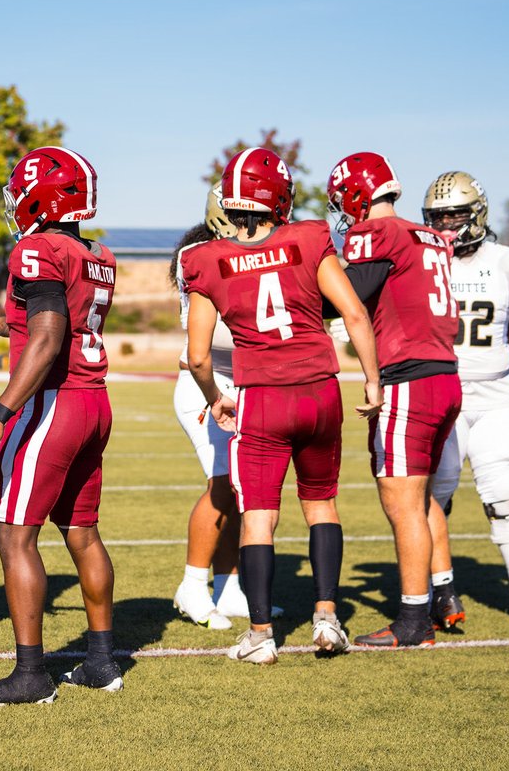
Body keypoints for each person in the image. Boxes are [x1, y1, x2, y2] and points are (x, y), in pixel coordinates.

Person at [181, 147, 383, 664]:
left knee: (258, 518)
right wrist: (373, 381)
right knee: (320, 504)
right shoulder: (309, 237)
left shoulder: (205, 259)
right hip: (319, 391)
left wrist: (215, 399)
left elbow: (199, 357)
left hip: (264, 399)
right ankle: (326, 618)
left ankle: (262, 633)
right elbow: (356, 315)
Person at [0, 146, 120, 705]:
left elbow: (50, 337)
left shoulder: (36, 247)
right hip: (94, 402)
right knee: (81, 530)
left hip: (53, 404)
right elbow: (50, 322)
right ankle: (101, 660)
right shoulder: (96, 252)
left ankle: (30, 676)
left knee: (15, 533)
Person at [324, 151, 462, 648]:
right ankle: (444, 596)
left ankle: (412, 621)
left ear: (355, 194)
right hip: (446, 374)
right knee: (420, 497)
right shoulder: (430, 236)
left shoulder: (374, 233)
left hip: (408, 379)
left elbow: (349, 295)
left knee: (401, 501)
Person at [422, 171, 509, 628]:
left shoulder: (508, 262)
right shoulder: (423, 262)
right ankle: (435, 591)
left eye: (455, 214)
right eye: (437, 217)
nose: (445, 225)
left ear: (476, 213)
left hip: (496, 392)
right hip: (440, 393)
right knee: (433, 497)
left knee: (505, 493)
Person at [170, 184, 283, 629]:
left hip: (246, 382)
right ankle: (192, 585)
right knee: (222, 482)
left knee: (243, 487)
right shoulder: (198, 255)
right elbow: (218, 335)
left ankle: (229, 585)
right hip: (206, 383)